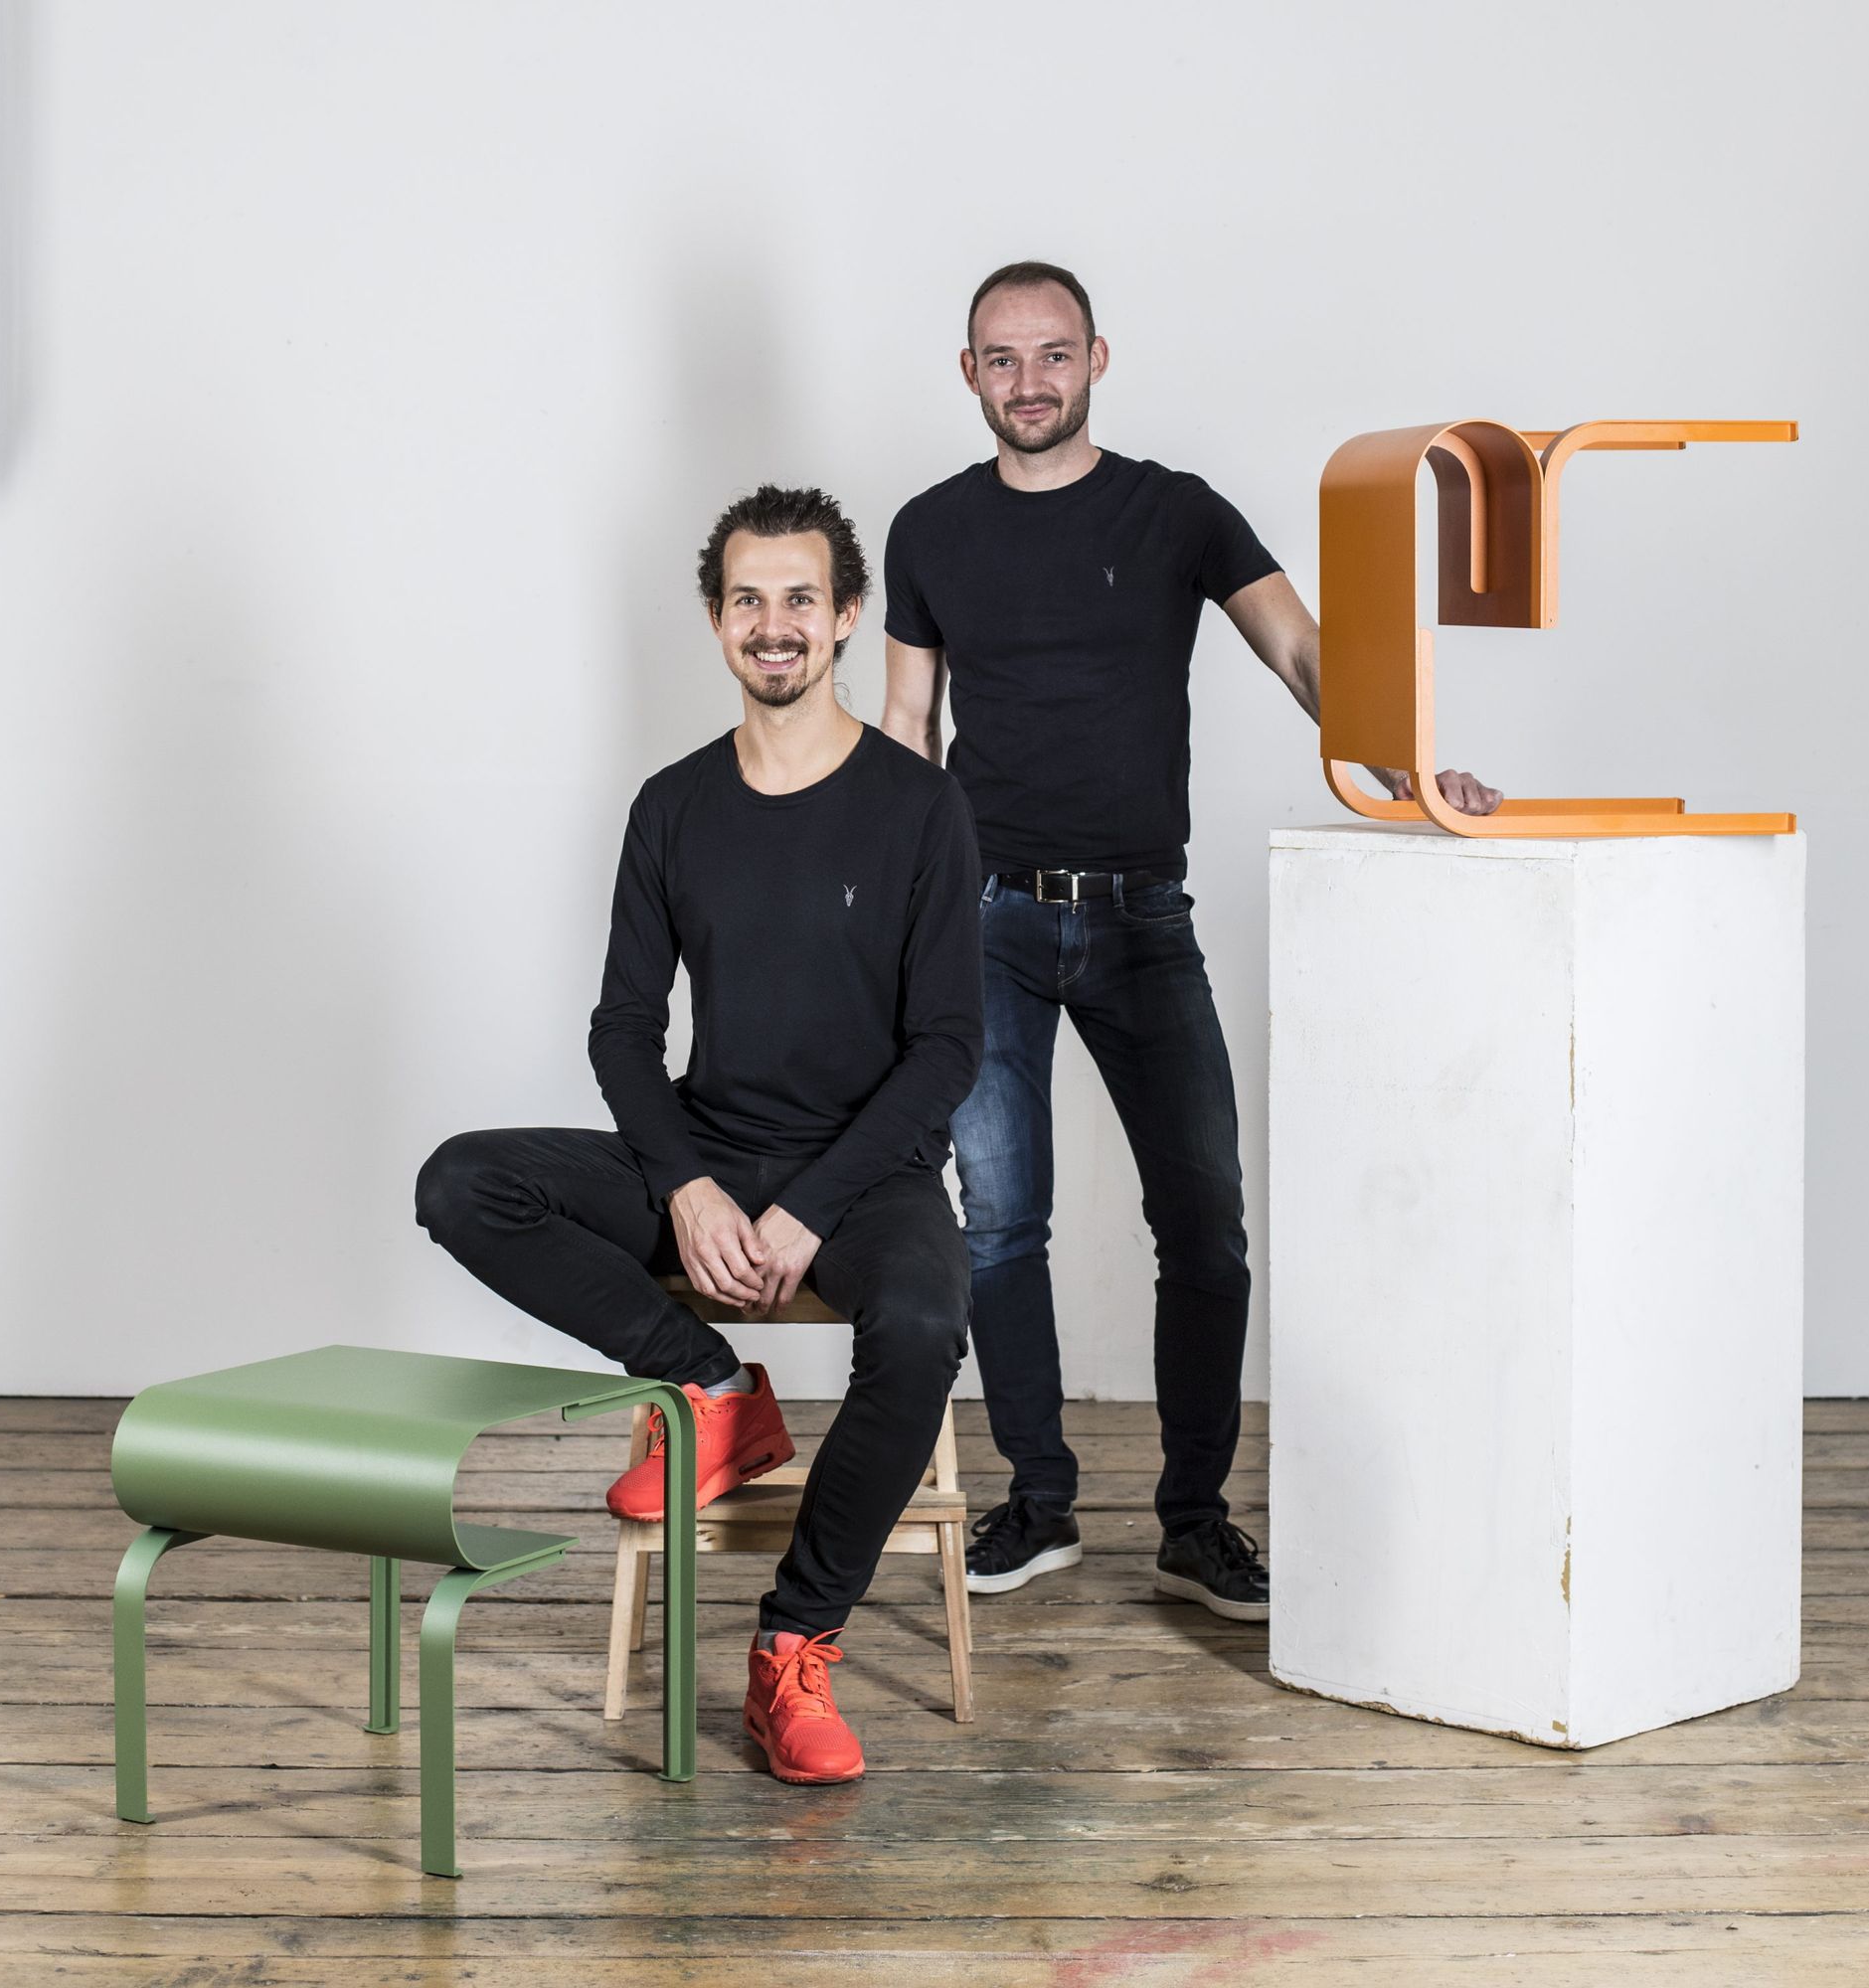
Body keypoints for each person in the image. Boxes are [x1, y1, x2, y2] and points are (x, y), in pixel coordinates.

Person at [880, 261, 1500, 1621]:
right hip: (981, 920)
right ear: (969, 372)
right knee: (1002, 1224)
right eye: (1002, 358)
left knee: (1206, 1224)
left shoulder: (1179, 513)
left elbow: (1306, 657)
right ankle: (1038, 1504)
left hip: (1142, 917)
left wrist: (1414, 772)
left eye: (1053, 354)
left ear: (1097, 358)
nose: (1029, 381)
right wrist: (892, 930)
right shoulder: (928, 531)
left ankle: (1195, 1522)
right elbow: (906, 736)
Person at [417, 485, 983, 1784]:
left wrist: (809, 1209)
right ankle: (716, 1391)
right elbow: (624, 1029)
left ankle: (794, 1646)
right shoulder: (672, 805)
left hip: (869, 1177)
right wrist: (686, 1184)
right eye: (748, 600)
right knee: (465, 1184)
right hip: (713, 1152)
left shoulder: (920, 808)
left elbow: (948, 1046)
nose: (774, 625)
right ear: (717, 620)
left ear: (847, 614)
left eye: (801, 599)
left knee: (921, 1321)